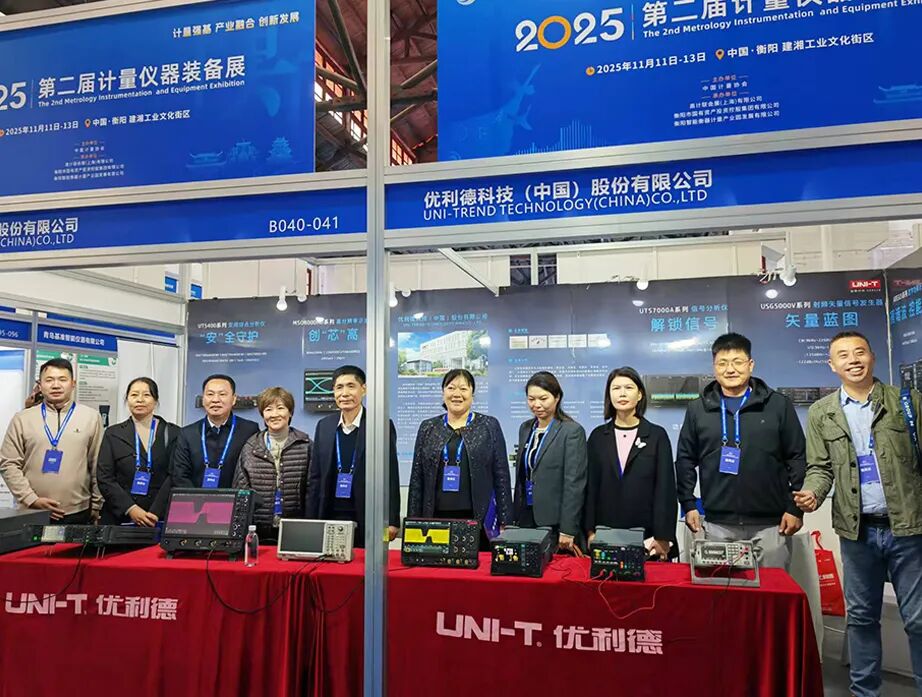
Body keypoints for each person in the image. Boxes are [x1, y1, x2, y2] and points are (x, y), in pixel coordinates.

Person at [795, 331, 922, 696]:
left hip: (908, 529)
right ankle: (865, 693)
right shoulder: (822, 412)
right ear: (831, 365)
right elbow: (820, 468)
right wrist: (813, 493)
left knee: (919, 620)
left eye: (859, 352)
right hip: (857, 532)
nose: (853, 360)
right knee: (862, 619)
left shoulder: (906, 401)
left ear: (872, 357)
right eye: (844, 355)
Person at [675, 332, 806, 569]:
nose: (730, 369)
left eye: (737, 362)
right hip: (717, 525)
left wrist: (795, 508)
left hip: (772, 524)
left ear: (750, 364)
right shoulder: (698, 409)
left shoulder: (778, 405)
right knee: (722, 591)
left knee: (772, 589)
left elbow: (797, 457)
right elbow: (685, 459)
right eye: (722, 363)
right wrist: (688, 504)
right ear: (714, 367)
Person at [408, 369, 512, 546]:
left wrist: (506, 520)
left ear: (472, 394)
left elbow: (501, 475)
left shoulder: (488, 425)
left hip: (479, 519)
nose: (457, 394)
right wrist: (413, 522)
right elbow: (417, 478)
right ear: (443, 393)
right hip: (435, 517)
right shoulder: (428, 427)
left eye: (463, 389)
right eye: (451, 388)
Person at [585, 367, 678, 560]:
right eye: (616, 388)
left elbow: (666, 488)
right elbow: (590, 488)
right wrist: (589, 531)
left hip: (647, 535)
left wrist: (663, 536)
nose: (622, 393)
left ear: (640, 394)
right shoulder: (597, 436)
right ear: (609, 395)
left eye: (628, 387)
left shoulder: (657, 435)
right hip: (605, 532)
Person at [306, 366, 401, 546]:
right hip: (329, 514)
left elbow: (391, 475)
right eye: (339, 387)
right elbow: (316, 477)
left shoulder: (379, 424)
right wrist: (310, 519)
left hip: (367, 516)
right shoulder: (324, 426)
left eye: (351, 386)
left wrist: (392, 520)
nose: (345, 393)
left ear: (363, 389)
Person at [0, 358, 104, 523]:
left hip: (78, 511)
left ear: (73, 383)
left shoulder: (91, 417)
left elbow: (98, 464)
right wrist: (31, 499)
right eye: (49, 380)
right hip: (31, 511)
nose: (56, 385)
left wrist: (97, 504)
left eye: (62, 379)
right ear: (40, 385)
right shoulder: (22, 418)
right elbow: (8, 463)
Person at [512, 371, 586, 554]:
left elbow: (574, 484)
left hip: (555, 523)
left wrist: (568, 529)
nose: (537, 404)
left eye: (543, 398)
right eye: (531, 399)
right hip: (526, 516)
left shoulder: (571, 431)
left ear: (557, 397)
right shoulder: (525, 428)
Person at [96, 377, 179, 526]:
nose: (140, 400)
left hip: (160, 516)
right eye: (134, 395)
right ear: (127, 399)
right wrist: (131, 509)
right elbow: (104, 477)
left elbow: (175, 475)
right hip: (120, 516)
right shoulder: (113, 433)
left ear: (155, 400)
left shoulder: (174, 433)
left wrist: (155, 512)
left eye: (146, 395)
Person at [234, 387, 311, 543]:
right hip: (258, 531)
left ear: (290, 412)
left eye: (280, 408)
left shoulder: (305, 446)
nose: (275, 414)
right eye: (268, 409)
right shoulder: (250, 447)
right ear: (263, 414)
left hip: (296, 530)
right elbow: (241, 490)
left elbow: (312, 490)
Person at [171, 374, 259, 490]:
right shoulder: (187, 433)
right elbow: (180, 475)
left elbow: (253, 473)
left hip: (235, 498)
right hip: (196, 500)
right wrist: (197, 498)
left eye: (222, 394)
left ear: (233, 399)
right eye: (210, 394)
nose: (215, 400)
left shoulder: (249, 430)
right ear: (203, 399)